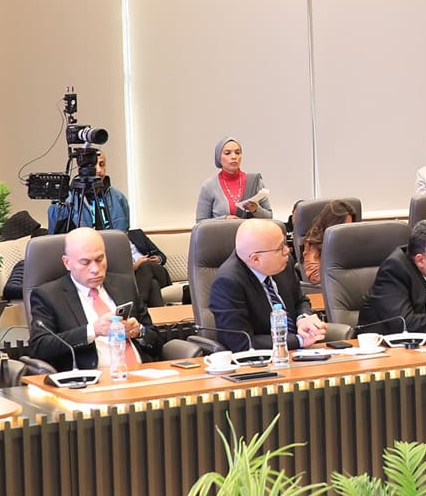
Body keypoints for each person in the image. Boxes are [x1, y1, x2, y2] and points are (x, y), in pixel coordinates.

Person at [29, 228, 165, 369]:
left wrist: (139, 331)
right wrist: (93, 330)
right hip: (92, 377)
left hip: (142, 373)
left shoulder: (125, 284)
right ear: (67, 263)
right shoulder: (49, 295)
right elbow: (39, 347)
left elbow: (157, 341)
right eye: (85, 262)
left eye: (100, 259)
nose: (95, 269)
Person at [210, 219, 326, 352]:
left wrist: (303, 319)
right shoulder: (227, 283)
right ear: (256, 259)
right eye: (280, 248)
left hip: (300, 350)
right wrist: (299, 340)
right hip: (262, 358)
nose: (287, 251)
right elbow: (241, 342)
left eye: (285, 244)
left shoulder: (283, 263)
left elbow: (300, 300)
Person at [48, 149, 132, 233]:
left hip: (111, 242)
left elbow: (124, 235)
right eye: (94, 165)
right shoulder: (67, 201)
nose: (99, 170)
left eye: (102, 164)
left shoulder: (118, 198)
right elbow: (55, 237)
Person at [197, 138, 272, 221]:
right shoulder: (209, 186)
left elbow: (269, 217)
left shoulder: (255, 182)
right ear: (219, 158)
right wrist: (224, 219)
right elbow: (200, 222)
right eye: (227, 153)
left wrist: (256, 210)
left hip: (251, 230)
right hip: (222, 230)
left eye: (237, 153)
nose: (234, 157)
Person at [299, 199, 358, 287]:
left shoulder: (353, 240)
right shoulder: (313, 242)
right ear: (332, 224)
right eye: (344, 226)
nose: (347, 231)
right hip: (331, 288)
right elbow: (314, 276)